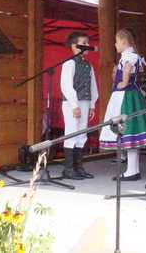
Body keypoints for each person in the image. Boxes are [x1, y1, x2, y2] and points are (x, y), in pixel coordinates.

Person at [99, 29, 146, 181]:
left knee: (128, 130)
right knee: (131, 133)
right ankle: (132, 170)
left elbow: (128, 68)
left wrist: (124, 80)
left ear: (123, 41)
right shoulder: (130, 55)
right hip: (127, 96)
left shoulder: (129, 56)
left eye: (116, 42)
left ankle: (132, 170)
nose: (115, 45)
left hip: (126, 97)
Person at [60, 31, 98, 180]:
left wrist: (92, 104)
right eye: (84, 43)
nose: (88, 46)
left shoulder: (88, 65)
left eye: (88, 43)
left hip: (85, 102)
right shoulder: (69, 63)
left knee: (82, 133)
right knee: (72, 132)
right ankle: (68, 169)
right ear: (74, 46)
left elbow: (93, 85)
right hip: (71, 104)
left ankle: (78, 167)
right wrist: (74, 105)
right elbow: (66, 86)